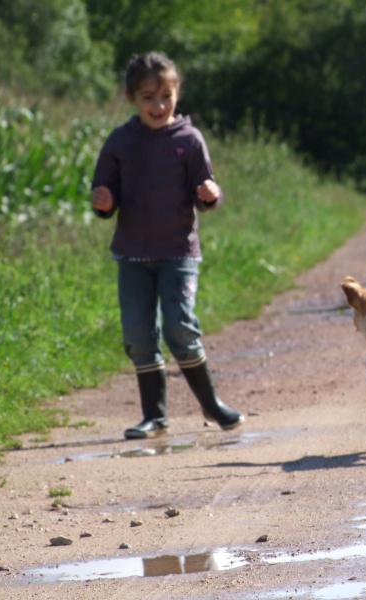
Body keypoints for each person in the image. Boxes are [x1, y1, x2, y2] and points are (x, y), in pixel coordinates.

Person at [91, 51, 244, 439]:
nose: (158, 105)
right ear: (130, 98)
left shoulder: (189, 140)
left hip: (178, 254)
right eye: (148, 97)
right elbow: (103, 190)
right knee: (139, 335)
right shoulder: (120, 141)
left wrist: (211, 193)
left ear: (177, 94)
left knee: (179, 327)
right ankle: (154, 417)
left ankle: (213, 406)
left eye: (166, 96)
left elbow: (205, 192)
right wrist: (103, 200)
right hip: (133, 256)